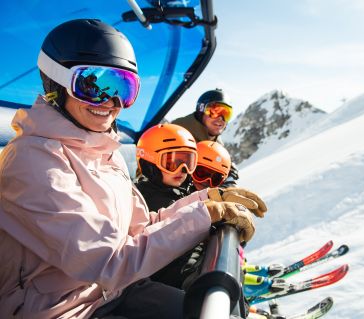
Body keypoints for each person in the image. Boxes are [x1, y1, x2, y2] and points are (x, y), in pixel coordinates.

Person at [0, 19, 262, 319]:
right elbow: (111, 260)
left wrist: (206, 200)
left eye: (124, 88)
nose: (112, 102)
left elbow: (140, 228)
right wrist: (205, 216)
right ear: (56, 82)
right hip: (63, 311)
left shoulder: (104, 153)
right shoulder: (32, 162)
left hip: (113, 292)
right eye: (93, 85)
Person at [172, 88, 240, 187]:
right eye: (214, 112)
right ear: (201, 110)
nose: (221, 119)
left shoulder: (217, 145)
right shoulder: (178, 133)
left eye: (226, 114)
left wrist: (227, 175)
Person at [135, 123, 198, 211]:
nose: (181, 170)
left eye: (187, 162)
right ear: (149, 164)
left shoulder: (182, 190)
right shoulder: (144, 201)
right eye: (170, 163)